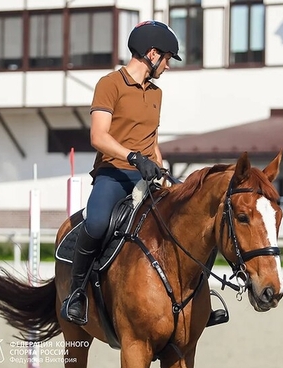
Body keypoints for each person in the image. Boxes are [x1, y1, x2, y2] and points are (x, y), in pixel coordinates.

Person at [60, 20, 226, 328]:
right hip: (113, 174)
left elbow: (152, 141)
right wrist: (133, 157)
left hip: (147, 177)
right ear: (151, 54)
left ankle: (200, 298)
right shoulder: (110, 84)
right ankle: (77, 293)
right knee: (96, 223)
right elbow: (98, 136)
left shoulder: (156, 93)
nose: (167, 66)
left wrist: (162, 172)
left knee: (193, 219)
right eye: (167, 58)